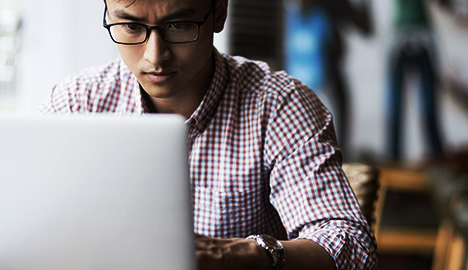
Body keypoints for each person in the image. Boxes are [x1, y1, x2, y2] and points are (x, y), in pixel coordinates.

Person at [40, 0, 377, 269]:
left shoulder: (278, 106)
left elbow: (352, 248)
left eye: (179, 25)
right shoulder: (79, 101)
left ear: (219, 12)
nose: (155, 56)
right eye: (131, 26)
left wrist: (239, 255)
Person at [284, 0, 373, 154]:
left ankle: (335, 155)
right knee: (333, 115)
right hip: (319, 70)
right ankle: (337, 156)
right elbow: (365, 28)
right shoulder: (334, 4)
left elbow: (365, 29)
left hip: (311, 70)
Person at [385, 0, 444, 161]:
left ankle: (438, 158)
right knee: (395, 108)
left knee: (428, 108)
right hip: (400, 36)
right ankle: (393, 159)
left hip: (422, 35)